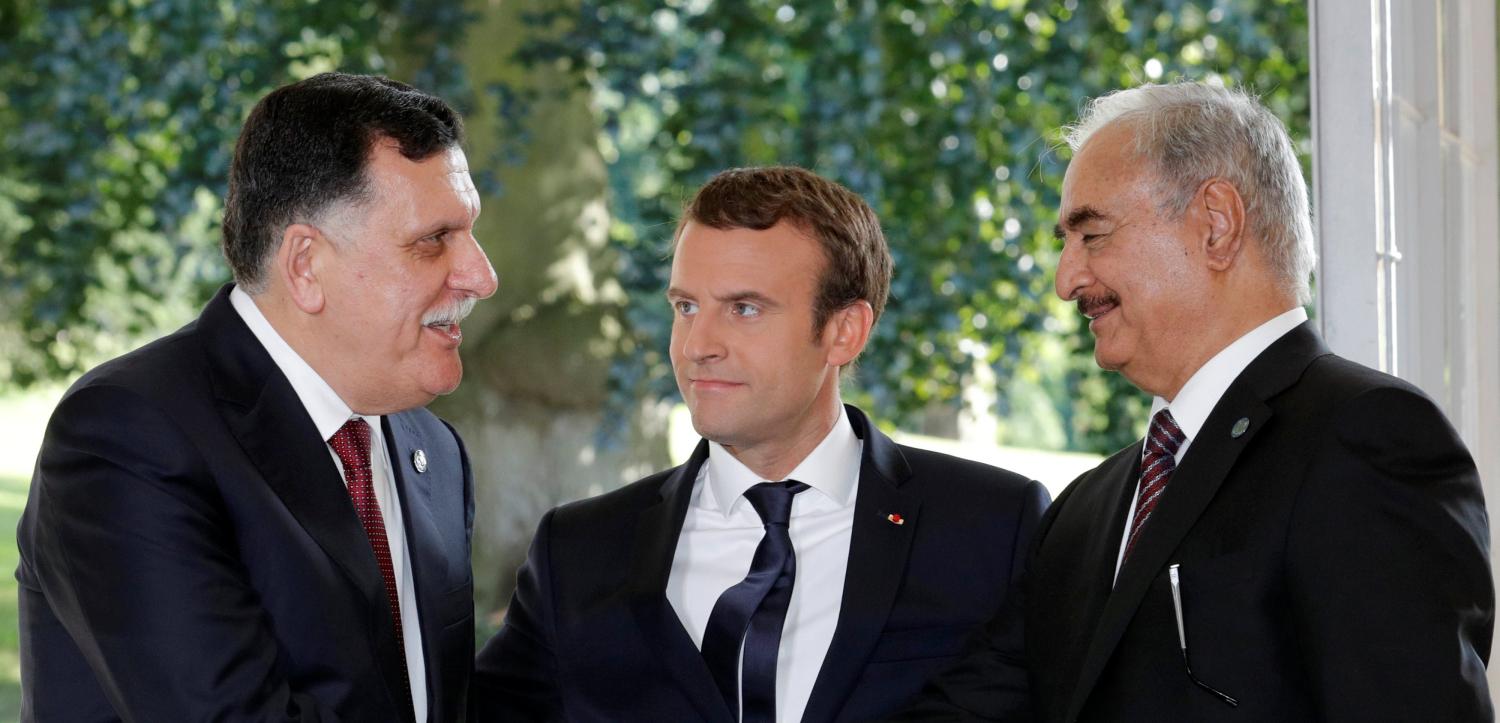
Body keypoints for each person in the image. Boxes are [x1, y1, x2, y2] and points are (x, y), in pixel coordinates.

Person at [902, 81, 1493, 721]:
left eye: (1092, 234)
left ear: (1216, 224)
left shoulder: (1366, 436)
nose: (1065, 280)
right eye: (1064, 244)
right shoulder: (1086, 508)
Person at [473, 166, 1049, 722]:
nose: (698, 344)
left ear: (843, 331)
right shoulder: (576, 551)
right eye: (686, 307)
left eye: (744, 309)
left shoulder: (994, 527)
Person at [17, 72, 497, 721]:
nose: (482, 275)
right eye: (432, 240)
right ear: (305, 265)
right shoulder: (128, 437)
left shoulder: (434, 452)